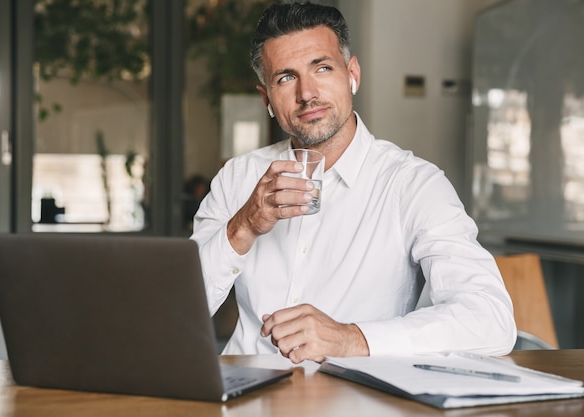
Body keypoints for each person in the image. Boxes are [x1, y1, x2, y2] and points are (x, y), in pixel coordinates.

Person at [191, 2, 516, 364]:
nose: (307, 93)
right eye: (286, 78)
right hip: (243, 395)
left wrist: (350, 338)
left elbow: (490, 320)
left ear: (352, 74)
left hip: (356, 397)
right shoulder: (238, 177)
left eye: (322, 68)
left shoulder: (412, 184)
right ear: (267, 98)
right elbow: (177, 314)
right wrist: (243, 227)